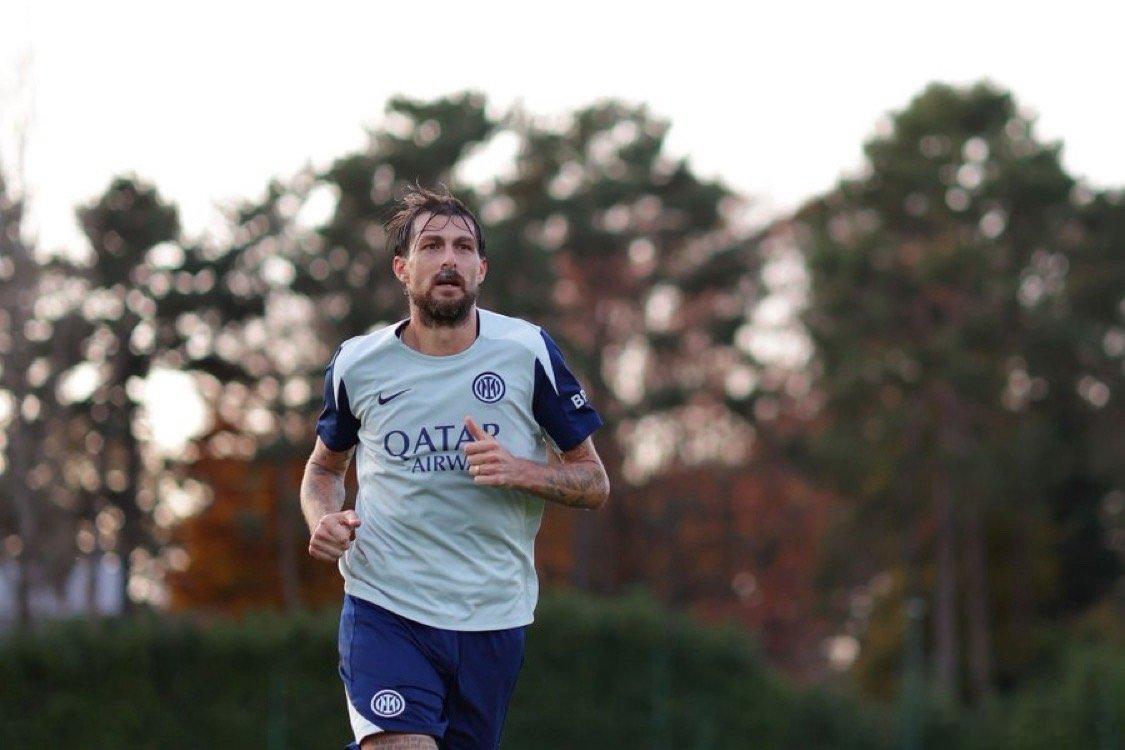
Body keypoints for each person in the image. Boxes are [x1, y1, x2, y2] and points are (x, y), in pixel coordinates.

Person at [300, 184, 610, 750]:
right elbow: (324, 469)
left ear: (481, 269)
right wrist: (323, 518)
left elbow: (593, 482)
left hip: (492, 613)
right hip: (385, 603)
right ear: (402, 267)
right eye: (432, 246)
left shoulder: (527, 352)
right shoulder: (357, 364)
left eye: (464, 248)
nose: (449, 259)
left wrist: (523, 471)